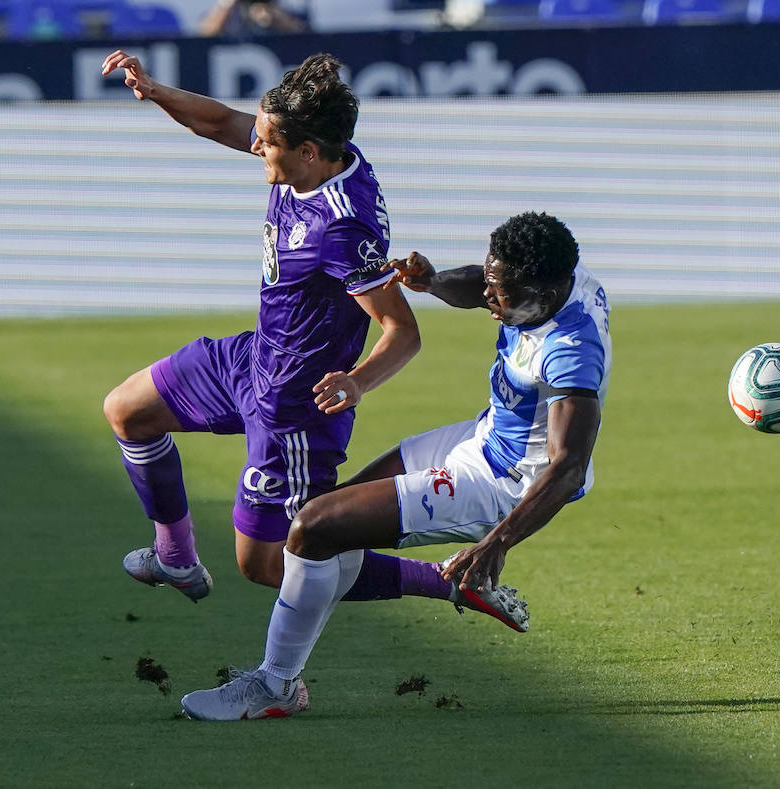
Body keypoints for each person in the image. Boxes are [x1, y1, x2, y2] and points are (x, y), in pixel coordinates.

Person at [178, 211, 612, 721]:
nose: (491, 298)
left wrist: (497, 542)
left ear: (545, 291)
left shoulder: (570, 354)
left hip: (503, 484)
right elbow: (485, 279)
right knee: (331, 520)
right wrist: (434, 282)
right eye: (494, 282)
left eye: (503, 293)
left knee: (315, 529)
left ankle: (274, 684)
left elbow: (568, 468)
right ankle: (290, 672)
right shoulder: (563, 277)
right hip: (483, 437)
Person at [99, 51, 424, 605]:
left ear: (308, 152)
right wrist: (155, 91)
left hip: (294, 402)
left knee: (270, 565)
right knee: (127, 410)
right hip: (252, 357)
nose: (255, 146)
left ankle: (446, 579)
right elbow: (224, 123)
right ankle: (175, 559)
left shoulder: (340, 225)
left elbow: (402, 331)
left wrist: (356, 382)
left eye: (267, 143)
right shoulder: (312, 155)